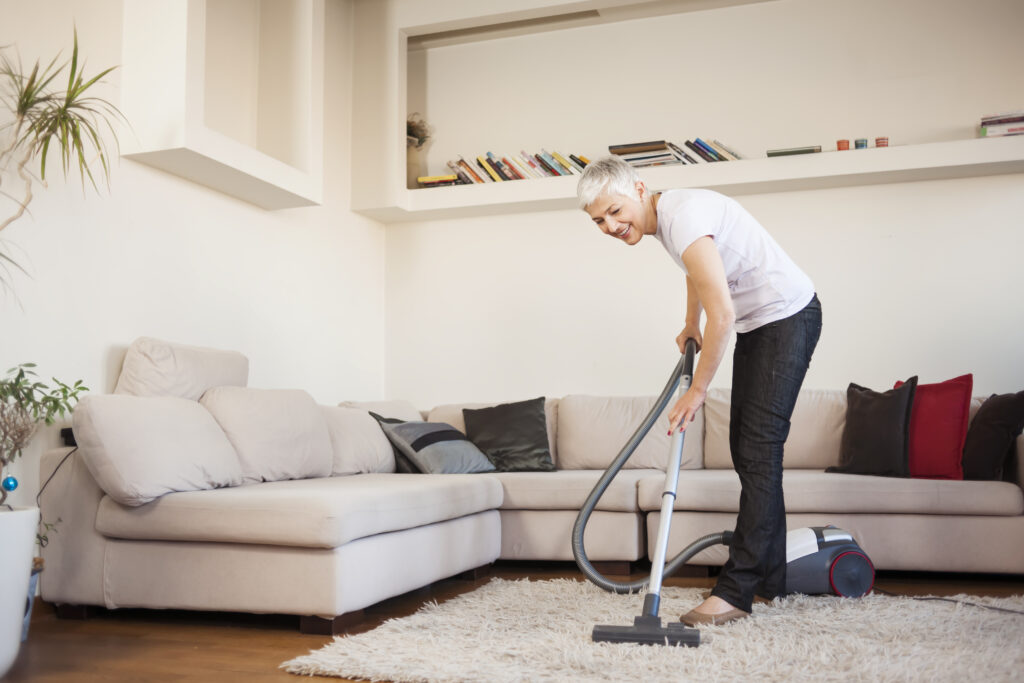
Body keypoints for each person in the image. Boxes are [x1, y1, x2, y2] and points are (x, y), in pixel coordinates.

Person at [577, 156, 822, 626]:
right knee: (750, 450)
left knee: (758, 448)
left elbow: (724, 314)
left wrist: (699, 391)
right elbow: (697, 269)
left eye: (614, 211)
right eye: (598, 221)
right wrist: (691, 321)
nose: (610, 225)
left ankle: (737, 590)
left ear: (639, 189)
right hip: (762, 323)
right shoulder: (668, 220)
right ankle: (770, 581)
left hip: (787, 317)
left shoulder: (682, 214)